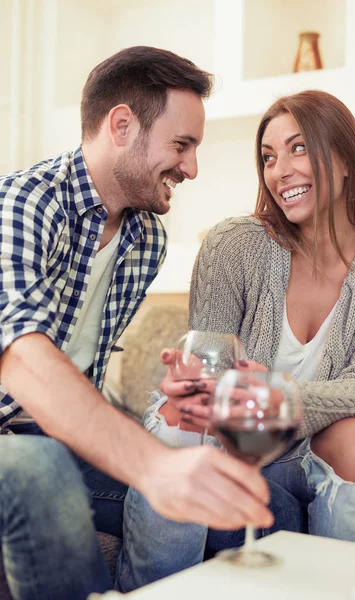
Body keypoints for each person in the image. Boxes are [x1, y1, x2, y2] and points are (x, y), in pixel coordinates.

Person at [0, 46, 281, 600]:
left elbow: (84, 372)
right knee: (40, 467)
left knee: (233, 489)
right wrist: (151, 467)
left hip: (60, 434)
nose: (192, 168)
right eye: (182, 145)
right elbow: (23, 360)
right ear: (122, 125)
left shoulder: (145, 239)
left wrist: (170, 410)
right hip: (19, 441)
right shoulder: (23, 204)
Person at [116, 89, 355, 591]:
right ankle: (152, 590)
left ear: (346, 157)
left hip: (313, 447)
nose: (280, 170)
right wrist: (202, 384)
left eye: (297, 148)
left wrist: (279, 397)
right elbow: (208, 363)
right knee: (182, 416)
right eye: (268, 157)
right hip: (233, 435)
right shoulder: (234, 244)